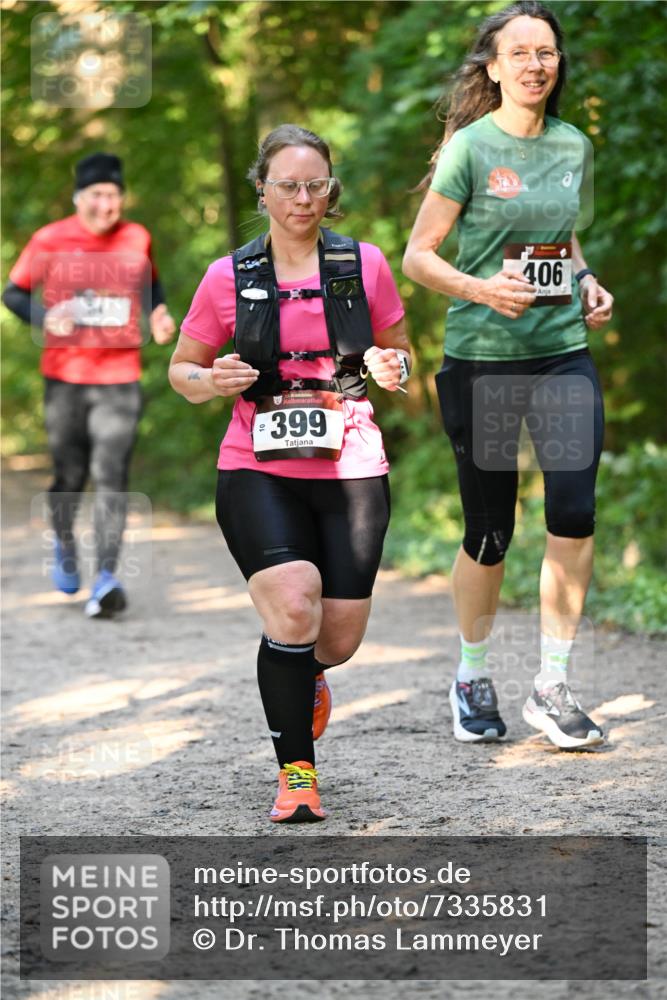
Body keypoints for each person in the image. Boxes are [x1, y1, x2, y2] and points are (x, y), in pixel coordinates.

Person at [169, 124, 410, 822]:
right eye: (287, 185)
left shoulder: (363, 266)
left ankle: (300, 671)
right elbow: (181, 371)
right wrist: (210, 380)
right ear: (262, 190)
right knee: (294, 600)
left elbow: (398, 352)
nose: (303, 198)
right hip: (255, 465)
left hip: (351, 463)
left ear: (329, 189)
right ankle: (296, 774)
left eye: (315, 185)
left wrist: (392, 368)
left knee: (333, 638)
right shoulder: (227, 277)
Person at [402, 1, 613, 750]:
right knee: (491, 532)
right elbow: (418, 256)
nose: (534, 64)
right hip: (484, 361)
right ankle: (470, 674)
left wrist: (586, 282)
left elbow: (563, 240)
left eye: (545, 52)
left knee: (575, 513)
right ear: (492, 66)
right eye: (518, 52)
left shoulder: (570, 144)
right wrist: (481, 289)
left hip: (560, 352)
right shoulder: (468, 149)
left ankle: (551, 685)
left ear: (557, 65)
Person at [2, 152, 176, 618]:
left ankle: (105, 579)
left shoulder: (137, 237)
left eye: (114, 196)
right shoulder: (50, 239)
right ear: (80, 197)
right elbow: (13, 292)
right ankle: (63, 543)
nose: (107, 205)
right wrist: (45, 316)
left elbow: (153, 286)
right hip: (65, 379)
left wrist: (158, 315)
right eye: (98, 195)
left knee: (112, 475)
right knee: (70, 478)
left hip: (120, 377)